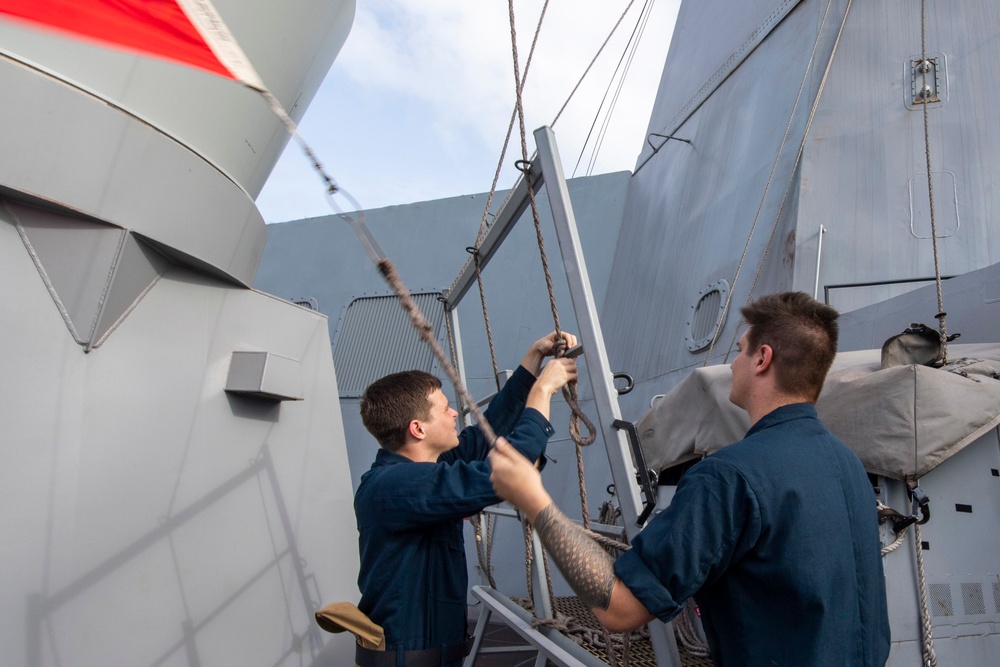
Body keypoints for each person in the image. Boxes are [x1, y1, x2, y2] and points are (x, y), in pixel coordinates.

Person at [490, 292, 891, 666]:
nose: (733, 364)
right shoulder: (849, 465)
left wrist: (533, 499)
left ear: (762, 359)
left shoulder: (729, 476)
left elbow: (619, 607)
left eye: (740, 351)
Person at [354, 331, 578, 667]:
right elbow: (505, 473)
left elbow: (484, 434)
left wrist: (533, 359)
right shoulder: (395, 485)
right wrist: (544, 391)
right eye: (444, 409)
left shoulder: (422, 470)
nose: (455, 414)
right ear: (418, 429)